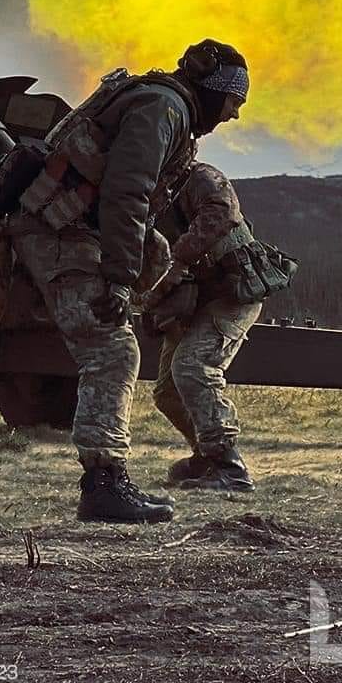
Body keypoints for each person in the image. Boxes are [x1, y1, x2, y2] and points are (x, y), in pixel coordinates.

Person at [8, 38, 249, 524]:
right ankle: (103, 487)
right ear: (213, 91)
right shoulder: (164, 108)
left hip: (65, 230)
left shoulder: (161, 104)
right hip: (60, 232)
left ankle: (106, 481)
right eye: (233, 101)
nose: (233, 115)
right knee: (114, 351)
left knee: (118, 343)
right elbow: (127, 189)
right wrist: (119, 279)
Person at [144, 161, 261, 494]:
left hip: (232, 289)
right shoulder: (141, 192)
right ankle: (207, 456)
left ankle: (229, 466)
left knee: (192, 368)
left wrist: (177, 262)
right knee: (167, 392)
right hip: (190, 301)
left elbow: (220, 214)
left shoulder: (198, 178)